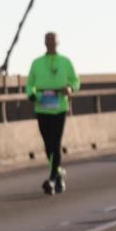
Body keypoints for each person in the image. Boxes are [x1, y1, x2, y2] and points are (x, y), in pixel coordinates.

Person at [26, 32, 80, 195]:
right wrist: (32, 94)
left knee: (55, 143)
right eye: (48, 41)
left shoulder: (65, 62)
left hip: (59, 107)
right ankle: (59, 174)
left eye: (53, 41)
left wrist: (70, 88)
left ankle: (51, 178)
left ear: (58, 42)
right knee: (48, 144)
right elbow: (30, 85)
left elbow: (76, 81)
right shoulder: (37, 63)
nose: (50, 43)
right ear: (44, 43)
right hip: (42, 108)